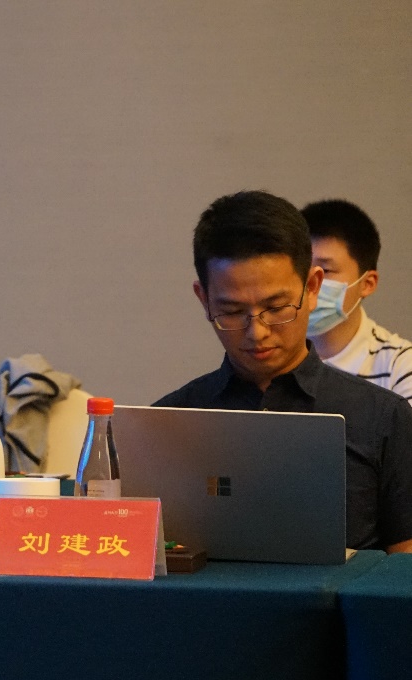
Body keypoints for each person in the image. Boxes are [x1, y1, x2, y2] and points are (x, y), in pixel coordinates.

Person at [155, 190, 412, 552]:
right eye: (232, 312)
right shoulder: (168, 422)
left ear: (312, 287)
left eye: (276, 308)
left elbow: (404, 564)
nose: (257, 332)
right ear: (204, 299)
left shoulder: (383, 418)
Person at [301, 199, 412, 401]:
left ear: (367, 283)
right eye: (302, 267)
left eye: (325, 270)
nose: (311, 282)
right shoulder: (266, 353)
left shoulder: (400, 366)